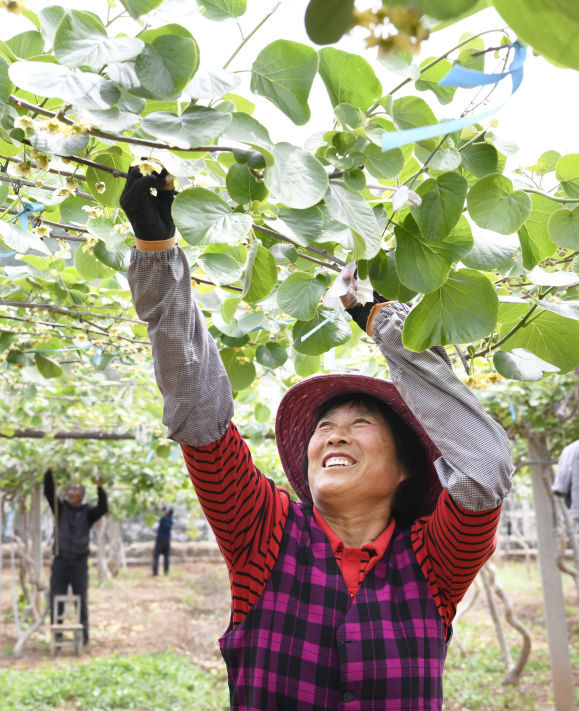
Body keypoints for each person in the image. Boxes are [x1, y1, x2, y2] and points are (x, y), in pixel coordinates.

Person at [120, 165, 514, 709]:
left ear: (406, 468)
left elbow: (486, 470)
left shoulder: (434, 560)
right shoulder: (265, 533)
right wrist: (158, 251)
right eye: (324, 427)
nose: (334, 436)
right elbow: (201, 417)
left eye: (359, 425)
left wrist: (384, 322)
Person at [43, 468, 107, 645]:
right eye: (70, 489)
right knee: (57, 598)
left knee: (81, 600)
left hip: (79, 563)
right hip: (60, 561)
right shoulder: (60, 509)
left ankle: (84, 637)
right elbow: (48, 493)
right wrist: (49, 473)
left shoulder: (87, 512)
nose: (72, 492)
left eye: (76, 490)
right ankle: (58, 635)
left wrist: (100, 488)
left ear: (82, 496)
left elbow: (103, 507)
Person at [153, 506, 174, 576]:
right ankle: (166, 572)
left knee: (156, 557)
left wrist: (163, 508)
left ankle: (155, 572)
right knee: (166, 557)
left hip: (160, 539)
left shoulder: (163, 518)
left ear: (168, 512)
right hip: (167, 540)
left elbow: (161, 514)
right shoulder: (171, 520)